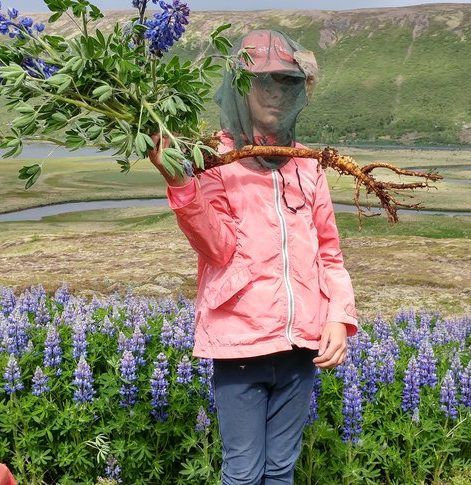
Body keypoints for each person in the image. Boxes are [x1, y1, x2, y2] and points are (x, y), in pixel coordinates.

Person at [150, 30, 358, 484]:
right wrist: (183, 185)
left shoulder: (307, 164)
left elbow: (330, 253)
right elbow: (217, 248)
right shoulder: (215, 159)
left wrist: (338, 317)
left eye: (286, 84)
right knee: (243, 473)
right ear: (240, 89)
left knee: (282, 471)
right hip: (240, 342)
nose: (276, 95)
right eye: (263, 83)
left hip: (302, 346)